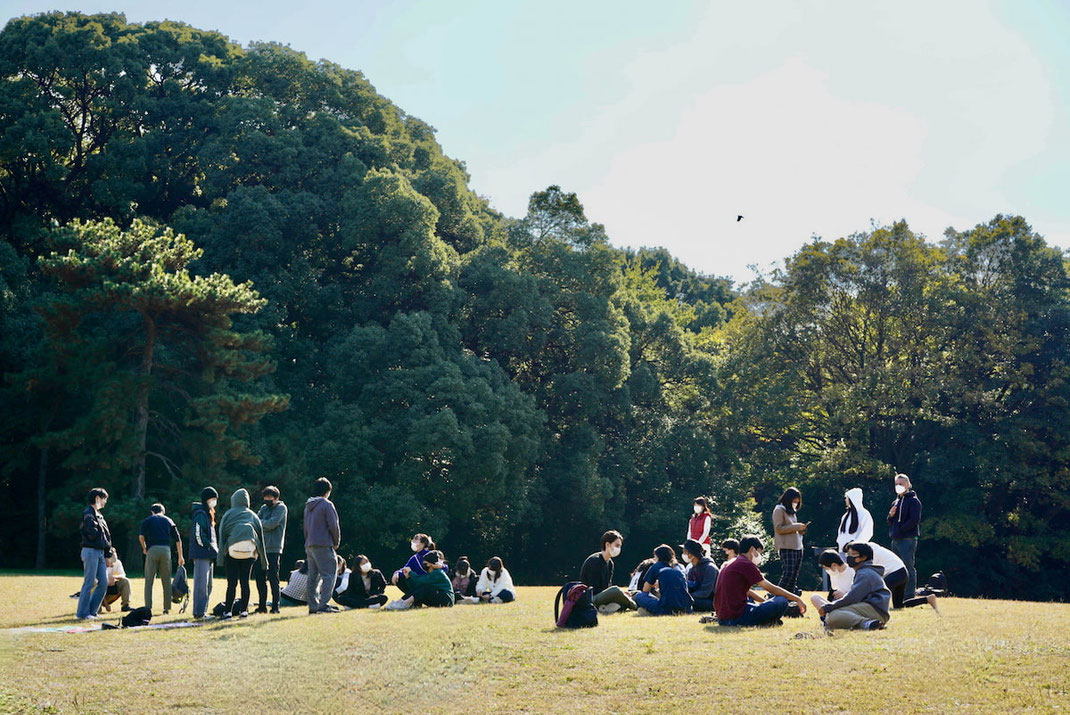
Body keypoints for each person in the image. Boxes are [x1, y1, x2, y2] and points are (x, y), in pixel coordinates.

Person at [714, 535, 808, 627]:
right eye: (759, 552)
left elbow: (747, 592)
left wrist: (765, 601)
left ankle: (768, 620)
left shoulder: (731, 563)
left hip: (723, 618)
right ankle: (769, 620)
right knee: (781, 600)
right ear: (752, 549)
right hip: (737, 617)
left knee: (753, 602)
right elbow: (771, 589)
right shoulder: (746, 564)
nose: (759, 556)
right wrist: (797, 598)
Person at [817, 546, 937, 611]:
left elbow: (859, 591)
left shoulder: (868, 554)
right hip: (901, 572)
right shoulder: (870, 549)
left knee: (871, 597)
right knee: (899, 606)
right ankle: (927, 599)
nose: (849, 556)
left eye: (852, 553)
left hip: (894, 573)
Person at [811, 542, 891, 631]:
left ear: (863, 557)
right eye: (848, 554)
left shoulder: (865, 574)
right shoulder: (863, 572)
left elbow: (851, 598)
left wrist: (828, 607)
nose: (849, 557)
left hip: (875, 610)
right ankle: (867, 623)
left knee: (832, 616)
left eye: (853, 554)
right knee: (831, 614)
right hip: (871, 608)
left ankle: (866, 623)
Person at [216, 488, 269, 618]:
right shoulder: (253, 515)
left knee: (232, 583)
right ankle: (244, 611)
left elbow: (222, 534)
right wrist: (264, 561)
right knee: (245, 582)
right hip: (249, 552)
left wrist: (220, 558)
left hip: (232, 551)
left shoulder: (228, 514)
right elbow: (260, 538)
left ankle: (228, 611)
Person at [304, 477, 341, 615]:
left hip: (310, 544)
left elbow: (305, 527)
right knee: (329, 574)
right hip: (323, 543)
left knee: (312, 576)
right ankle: (323, 605)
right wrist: (336, 541)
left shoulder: (308, 506)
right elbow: (333, 525)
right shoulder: (326, 504)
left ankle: (313, 606)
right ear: (327, 491)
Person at [139, 503, 184, 614]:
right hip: (166, 550)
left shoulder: (148, 520)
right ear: (163, 511)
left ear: (152, 511)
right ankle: (166, 608)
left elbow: (141, 536)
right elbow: (178, 540)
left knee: (149, 580)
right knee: (166, 580)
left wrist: (144, 548)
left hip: (152, 549)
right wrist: (180, 556)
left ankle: (148, 608)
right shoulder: (169, 520)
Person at [579, 530, 637, 614]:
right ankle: (635, 606)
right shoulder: (594, 561)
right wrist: (617, 594)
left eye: (620, 546)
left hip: (601, 596)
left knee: (635, 593)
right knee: (616, 590)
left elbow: (607, 586)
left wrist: (622, 594)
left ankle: (607, 608)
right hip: (590, 598)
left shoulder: (610, 563)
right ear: (607, 545)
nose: (619, 549)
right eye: (617, 545)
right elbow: (593, 589)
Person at [76, 487, 111, 620]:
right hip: (90, 551)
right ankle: (82, 614)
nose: (105, 502)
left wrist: (107, 553)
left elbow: (106, 535)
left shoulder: (99, 515)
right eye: (104, 499)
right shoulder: (88, 514)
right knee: (89, 582)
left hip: (100, 553)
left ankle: (91, 612)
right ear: (97, 498)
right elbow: (92, 534)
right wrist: (102, 543)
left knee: (103, 582)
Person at [887, 473, 922, 598]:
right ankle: (898, 594)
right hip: (895, 539)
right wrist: (890, 515)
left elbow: (914, 520)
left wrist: (900, 529)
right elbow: (889, 521)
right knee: (896, 569)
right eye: (896, 484)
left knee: (908, 567)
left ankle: (909, 595)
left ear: (908, 484)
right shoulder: (895, 502)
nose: (899, 486)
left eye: (901, 484)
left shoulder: (913, 501)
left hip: (908, 539)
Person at [634, 545, 694, 615]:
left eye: (655, 557)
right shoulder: (679, 567)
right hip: (687, 609)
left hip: (666, 609)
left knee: (639, 596)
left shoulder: (656, 566)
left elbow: (645, 590)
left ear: (658, 557)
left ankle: (649, 611)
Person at [255, 486, 288, 614]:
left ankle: (275, 606)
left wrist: (262, 523)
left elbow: (272, 524)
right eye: (265, 497)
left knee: (273, 578)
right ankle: (262, 606)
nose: (267, 499)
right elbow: (255, 522)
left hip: (274, 548)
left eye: (269, 497)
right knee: (259, 578)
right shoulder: (263, 508)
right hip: (260, 548)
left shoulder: (281, 508)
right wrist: (264, 523)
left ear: (276, 498)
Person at [385, 551, 455, 610]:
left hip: (446, 600)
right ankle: (401, 602)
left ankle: (405, 604)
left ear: (432, 564)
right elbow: (416, 586)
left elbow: (420, 581)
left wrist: (410, 573)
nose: (424, 565)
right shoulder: (430, 573)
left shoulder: (438, 573)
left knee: (424, 588)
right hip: (439, 597)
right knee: (421, 587)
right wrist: (408, 578)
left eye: (426, 563)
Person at [189, 487, 219, 619]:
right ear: (206, 499)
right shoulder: (200, 513)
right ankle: (199, 612)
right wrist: (208, 547)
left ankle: (203, 611)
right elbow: (199, 535)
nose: (214, 501)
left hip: (208, 554)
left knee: (208, 585)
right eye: (212, 499)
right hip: (202, 553)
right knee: (201, 584)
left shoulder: (208, 513)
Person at [772, 487, 808, 595]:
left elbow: (792, 529)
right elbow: (779, 528)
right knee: (788, 573)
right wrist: (797, 526)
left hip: (798, 546)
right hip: (786, 546)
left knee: (794, 576)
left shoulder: (792, 512)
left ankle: (789, 597)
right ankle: (776, 596)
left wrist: (802, 529)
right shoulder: (779, 510)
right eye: (794, 501)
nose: (796, 503)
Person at [680, 539, 718, 612]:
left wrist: (687, 597)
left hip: (710, 601)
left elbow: (705, 592)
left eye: (685, 552)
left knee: (684, 601)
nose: (683, 554)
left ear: (692, 554)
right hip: (697, 598)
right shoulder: (691, 568)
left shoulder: (710, 568)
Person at [837, 488, 874, 552]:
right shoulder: (846, 516)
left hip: (857, 552)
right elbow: (841, 532)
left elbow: (867, 532)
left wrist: (855, 545)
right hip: (843, 550)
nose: (845, 500)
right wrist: (842, 544)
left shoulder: (864, 514)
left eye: (846, 498)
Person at [101, 548, 131, 612]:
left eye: (115, 553)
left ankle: (125, 605)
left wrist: (114, 577)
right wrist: (106, 605)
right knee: (97, 610)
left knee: (125, 581)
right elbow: (97, 585)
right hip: (102, 592)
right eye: (112, 554)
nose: (114, 555)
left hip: (112, 588)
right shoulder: (102, 564)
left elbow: (123, 575)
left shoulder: (118, 562)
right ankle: (97, 606)